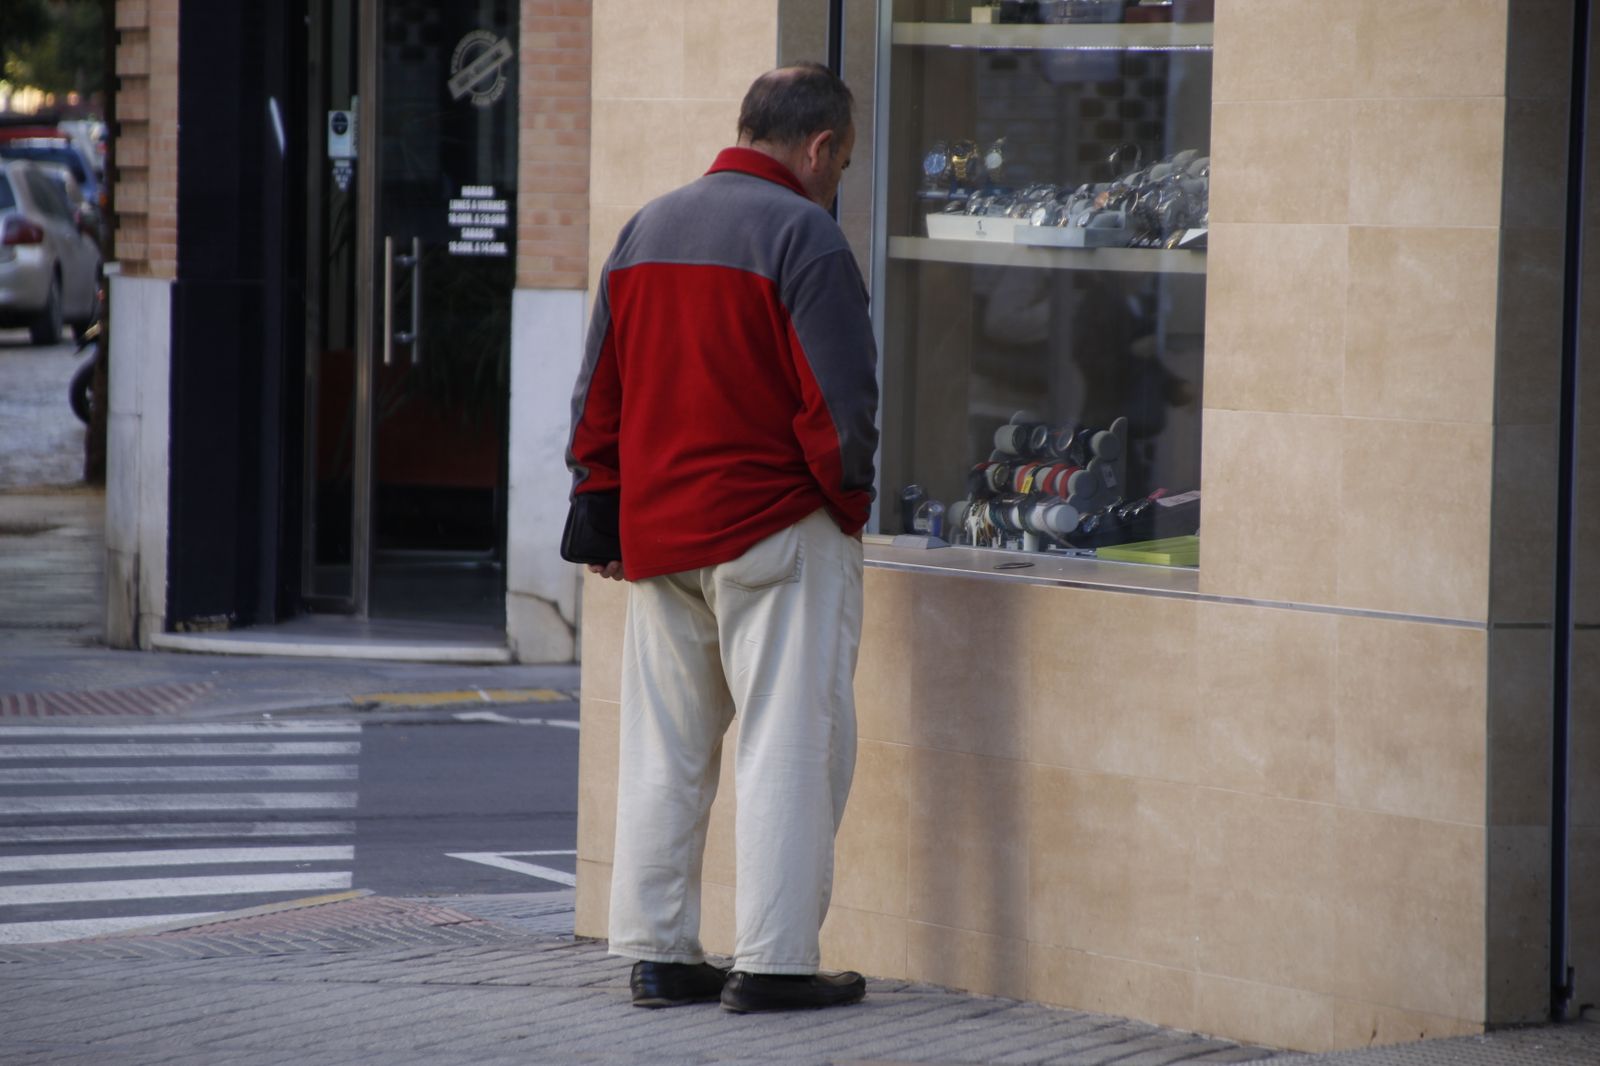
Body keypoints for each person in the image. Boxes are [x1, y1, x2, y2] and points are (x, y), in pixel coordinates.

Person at [564, 62, 878, 1014]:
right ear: (819, 147)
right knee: (792, 745)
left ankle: (661, 955)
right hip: (777, 528)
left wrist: (603, 509)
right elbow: (841, 406)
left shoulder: (646, 227)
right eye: (846, 162)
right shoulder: (805, 235)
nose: (840, 180)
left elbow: (597, 397)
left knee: (665, 750)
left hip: (662, 537)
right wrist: (846, 504)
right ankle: (776, 965)